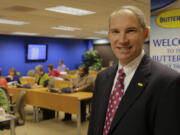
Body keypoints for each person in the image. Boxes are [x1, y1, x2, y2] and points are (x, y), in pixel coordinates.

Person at [88, 6, 180, 135]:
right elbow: (94, 125)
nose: (122, 40)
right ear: (109, 35)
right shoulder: (103, 77)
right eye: (115, 31)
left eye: (131, 31)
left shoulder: (167, 82)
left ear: (145, 33)